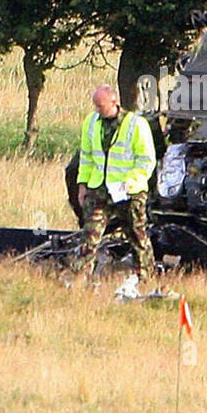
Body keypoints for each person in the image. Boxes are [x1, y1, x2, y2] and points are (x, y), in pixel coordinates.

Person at [73, 84, 157, 288]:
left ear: (114, 103)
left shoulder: (137, 125)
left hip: (128, 192)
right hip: (99, 189)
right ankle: (81, 277)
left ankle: (146, 277)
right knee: (89, 235)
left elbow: (147, 161)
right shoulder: (91, 123)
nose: (97, 110)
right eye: (95, 106)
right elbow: (86, 156)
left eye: (100, 106)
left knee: (137, 236)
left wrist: (131, 182)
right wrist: (82, 185)